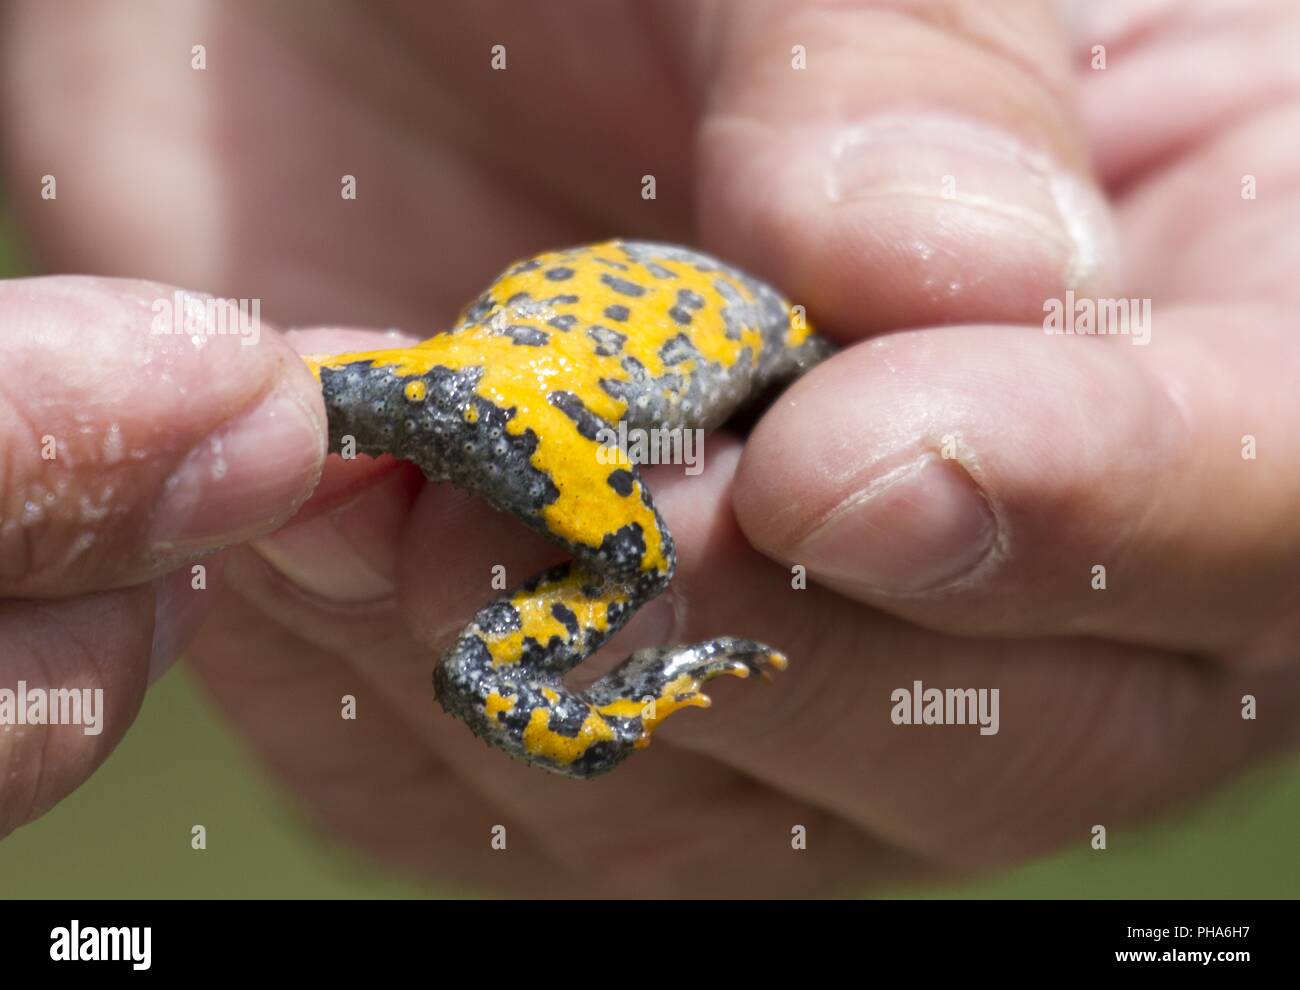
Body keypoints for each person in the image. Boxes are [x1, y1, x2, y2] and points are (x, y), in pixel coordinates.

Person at [1, 0, 1297, 896]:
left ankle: (510, 673)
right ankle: (545, 695)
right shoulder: (809, 342)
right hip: (541, 405)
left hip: (466, 373)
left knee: (259, 439)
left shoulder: (781, 340)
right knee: (607, 574)